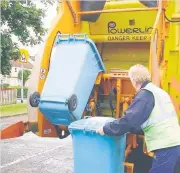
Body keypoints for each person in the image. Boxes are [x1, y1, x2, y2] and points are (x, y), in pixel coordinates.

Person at [96, 64, 180, 173]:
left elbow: (129, 120)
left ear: (133, 81)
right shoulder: (159, 92)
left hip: (165, 146)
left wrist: (106, 128)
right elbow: (149, 121)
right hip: (174, 142)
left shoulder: (145, 94)